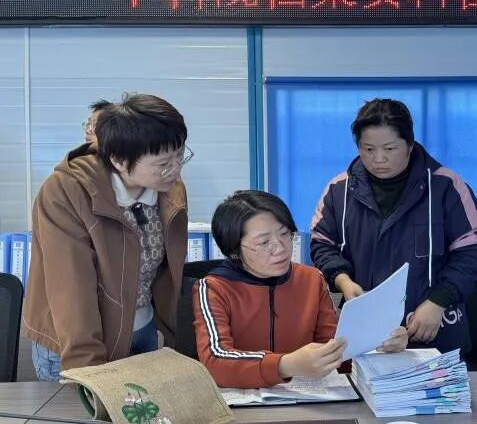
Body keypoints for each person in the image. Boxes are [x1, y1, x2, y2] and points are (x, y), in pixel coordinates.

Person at [23, 93, 192, 381]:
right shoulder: (66, 191)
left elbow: (168, 271)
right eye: (163, 163)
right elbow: (70, 286)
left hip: (143, 329)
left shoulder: (169, 187)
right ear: (120, 161)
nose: (175, 170)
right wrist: (87, 369)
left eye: (180, 156)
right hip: (76, 338)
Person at [310, 98, 477, 355]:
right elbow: (322, 244)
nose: (379, 159)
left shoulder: (445, 186)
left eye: (390, 148)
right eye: (368, 149)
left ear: (409, 144)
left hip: (434, 330)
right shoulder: (339, 190)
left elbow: (473, 253)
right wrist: (344, 281)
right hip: (366, 334)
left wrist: (438, 301)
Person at [193, 190, 408, 389]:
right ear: (234, 251)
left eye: (285, 234)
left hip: (309, 400)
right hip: (240, 404)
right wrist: (286, 365)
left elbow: (336, 348)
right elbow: (215, 360)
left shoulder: (311, 279)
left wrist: (379, 343)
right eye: (264, 242)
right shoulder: (214, 288)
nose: (280, 248)